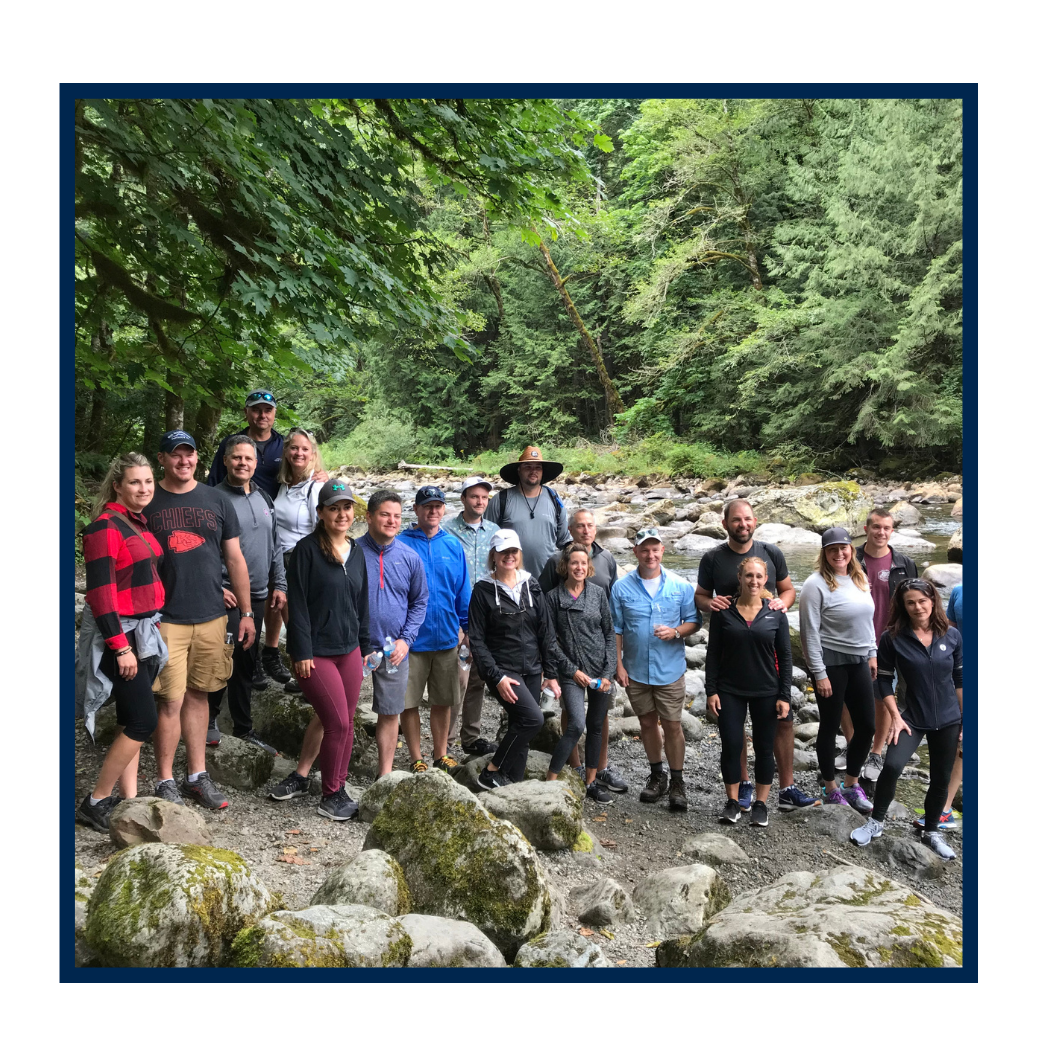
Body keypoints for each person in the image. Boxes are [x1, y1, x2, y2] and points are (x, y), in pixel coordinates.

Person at [143, 430, 256, 811]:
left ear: (197, 458)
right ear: (162, 458)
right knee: (169, 701)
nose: (184, 461)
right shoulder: (147, 501)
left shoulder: (216, 500)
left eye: (189, 454)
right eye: (176, 454)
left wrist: (246, 612)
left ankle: (197, 775)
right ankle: (165, 780)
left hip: (211, 616)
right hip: (165, 618)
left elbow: (235, 558)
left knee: (200, 695)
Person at [694, 499, 818, 812]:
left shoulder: (771, 553)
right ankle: (744, 784)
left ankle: (787, 786)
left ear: (755, 521)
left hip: (766, 645)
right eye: (736, 520)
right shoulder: (713, 558)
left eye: (747, 519)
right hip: (731, 647)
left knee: (783, 719)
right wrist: (713, 605)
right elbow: (700, 596)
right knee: (734, 727)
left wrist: (782, 604)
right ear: (725, 524)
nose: (743, 524)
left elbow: (788, 590)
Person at [208, 392, 326, 689]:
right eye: (256, 410)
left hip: (273, 534)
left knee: (277, 599)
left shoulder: (281, 444)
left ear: (274, 414)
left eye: (268, 411)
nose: (262, 415)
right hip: (241, 525)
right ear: (247, 413)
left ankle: (278, 655)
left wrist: (320, 476)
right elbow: (213, 487)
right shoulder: (232, 444)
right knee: (264, 599)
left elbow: (304, 464)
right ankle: (257, 656)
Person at [75, 453, 168, 832]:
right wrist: (121, 646)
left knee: (133, 718)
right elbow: (100, 595)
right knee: (144, 721)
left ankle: (129, 799)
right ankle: (95, 801)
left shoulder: (137, 523)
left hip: (141, 630)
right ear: (118, 486)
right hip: (121, 634)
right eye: (134, 482)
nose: (144, 489)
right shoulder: (104, 527)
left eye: (148, 481)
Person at [273, 480, 370, 821]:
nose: (342, 514)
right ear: (321, 513)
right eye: (334, 508)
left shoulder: (356, 551)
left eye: (346, 507)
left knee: (347, 721)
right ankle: (330, 795)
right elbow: (296, 605)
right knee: (337, 723)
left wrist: (366, 645)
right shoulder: (306, 550)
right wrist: (300, 651)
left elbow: (361, 603)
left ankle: (337, 785)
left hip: (350, 650)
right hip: (316, 652)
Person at [850, 579, 962, 860]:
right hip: (910, 717)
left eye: (922, 601)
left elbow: (960, 681)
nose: (917, 607)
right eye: (910, 602)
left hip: (949, 718)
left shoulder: (951, 635)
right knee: (892, 766)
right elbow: (884, 682)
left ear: (933, 601)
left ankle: (932, 830)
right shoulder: (892, 638)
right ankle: (876, 821)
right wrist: (895, 717)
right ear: (902, 605)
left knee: (941, 778)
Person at [205, 436, 287, 754]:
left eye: (248, 459)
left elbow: (275, 545)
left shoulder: (264, 498)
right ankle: (210, 719)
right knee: (223, 657)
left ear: (256, 464)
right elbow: (203, 551)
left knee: (247, 662)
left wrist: (280, 584)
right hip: (225, 596)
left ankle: (243, 728)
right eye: (236, 457)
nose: (242, 463)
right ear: (225, 461)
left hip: (258, 594)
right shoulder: (212, 499)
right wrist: (217, 586)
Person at [538, 507, 628, 794]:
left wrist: (608, 672)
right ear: (565, 566)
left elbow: (608, 631)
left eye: (583, 564)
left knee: (598, 725)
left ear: (589, 567)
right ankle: (553, 778)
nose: (578, 567)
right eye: (573, 563)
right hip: (571, 670)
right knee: (576, 723)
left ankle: (591, 781)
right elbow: (550, 640)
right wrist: (571, 671)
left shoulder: (599, 593)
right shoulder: (553, 597)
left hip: (600, 669)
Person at [611, 528, 701, 811]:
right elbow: (616, 629)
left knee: (673, 725)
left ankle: (677, 781)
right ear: (635, 552)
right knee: (647, 723)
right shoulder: (621, 588)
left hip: (669, 669)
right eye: (644, 549)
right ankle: (656, 775)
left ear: (663, 551)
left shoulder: (680, 586)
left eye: (655, 549)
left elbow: (694, 622)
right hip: (636, 669)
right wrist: (618, 665)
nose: (650, 555)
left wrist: (675, 632)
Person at [468, 530, 561, 790]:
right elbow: (476, 640)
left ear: (519, 554)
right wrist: (495, 676)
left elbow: (546, 630)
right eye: (503, 551)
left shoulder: (531, 585)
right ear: (493, 555)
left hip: (532, 668)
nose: (509, 556)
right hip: (504, 670)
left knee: (522, 725)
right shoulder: (483, 590)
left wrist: (550, 672)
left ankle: (512, 787)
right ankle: (491, 771)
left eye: (513, 551)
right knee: (533, 720)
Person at [706, 556, 792, 828]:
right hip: (729, 690)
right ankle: (732, 801)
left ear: (765, 579)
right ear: (740, 579)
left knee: (765, 749)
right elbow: (712, 654)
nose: (753, 581)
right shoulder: (723, 612)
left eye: (758, 576)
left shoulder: (776, 612)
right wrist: (711, 690)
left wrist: (785, 696)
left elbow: (785, 656)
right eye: (748, 576)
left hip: (767, 690)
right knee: (731, 746)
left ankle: (761, 804)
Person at [798, 527, 876, 812]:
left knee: (867, 726)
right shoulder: (814, 585)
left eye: (843, 548)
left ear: (851, 550)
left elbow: (867, 622)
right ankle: (830, 786)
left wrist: (872, 653)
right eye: (833, 550)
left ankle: (852, 784)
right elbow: (809, 633)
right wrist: (819, 673)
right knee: (830, 727)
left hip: (858, 661)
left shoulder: (860, 579)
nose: (839, 553)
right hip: (831, 663)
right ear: (825, 553)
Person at [399, 486, 472, 773]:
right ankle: (416, 757)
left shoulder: (453, 546)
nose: (433, 511)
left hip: (445, 638)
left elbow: (462, 591)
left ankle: (441, 754)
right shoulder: (401, 543)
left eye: (438, 506)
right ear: (416, 510)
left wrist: (467, 630)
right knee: (409, 702)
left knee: (444, 700)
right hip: (411, 640)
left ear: (444, 509)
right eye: (427, 506)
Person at [357, 490, 429, 778]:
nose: (391, 521)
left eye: (397, 516)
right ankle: (323, 771)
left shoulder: (410, 558)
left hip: (393, 648)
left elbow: (420, 601)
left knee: (389, 712)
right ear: (369, 516)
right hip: (355, 646)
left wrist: (406, 639)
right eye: (385, 514)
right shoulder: (352, 552)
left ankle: (383, 775)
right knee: (338, 710)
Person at [852, 507, 918, 781]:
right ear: (866, 529)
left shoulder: (903, 563)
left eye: (886, 528)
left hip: (891, 641)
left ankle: (876, 753)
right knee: (850, 696)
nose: (881, 532)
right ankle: (854, 744)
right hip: (854, 639)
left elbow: (915, 600)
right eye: (876, 527)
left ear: (892, 531)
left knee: (884, 696)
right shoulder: (851, 558)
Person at [443, 476, 500, 757]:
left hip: (488, 615)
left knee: (478, 677)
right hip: (457, 613)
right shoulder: (447, 530)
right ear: (463, 498)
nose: (480, 502)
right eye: (475, 496)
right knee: (459, 679)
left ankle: (471, 736)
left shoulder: (495, 532)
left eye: (484, 498)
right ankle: (447, 742)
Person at [267, 428, 328, 690]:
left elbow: (324, 528)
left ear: (313, 454)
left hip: (302, 561)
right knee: (294, 623)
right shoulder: (282, 485)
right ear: (286, 452)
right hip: (280, 560)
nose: (299, 453)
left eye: (305, 449)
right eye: (294, 448)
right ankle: (306, 678)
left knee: (302, 624)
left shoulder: (316, 486)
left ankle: (314, 680)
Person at [911, 581, 963, 831]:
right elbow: (948, 630)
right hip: (956, 676)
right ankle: (944, 809)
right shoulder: (958, 591)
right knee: (960, 746)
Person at [484, 446, 572, 581]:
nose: (533, 471)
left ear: (543, 472)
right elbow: (486, 539)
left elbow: (564, 541)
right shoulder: (501, 500)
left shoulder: (554, 499)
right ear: (518, 470)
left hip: (547, 580)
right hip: (509, 581)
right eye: (528, 467)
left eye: (538, 467)